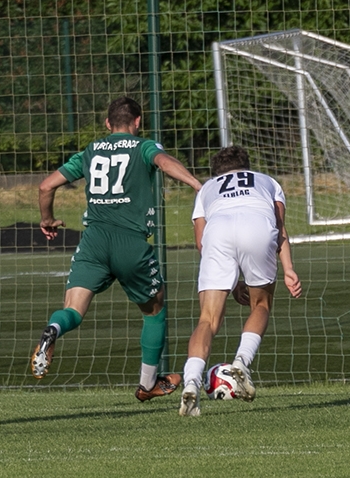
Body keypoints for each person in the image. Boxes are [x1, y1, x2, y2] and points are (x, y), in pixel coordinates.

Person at [33, 96, 203, 402]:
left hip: (93, 240)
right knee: (154, 309)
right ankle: (147, 383)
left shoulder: (89, 151)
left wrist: (47, 219)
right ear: (138, 121)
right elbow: (163, 163)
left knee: (73, 308)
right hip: (130, 242)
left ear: (107, 123)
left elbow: (46, 186)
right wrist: (195, 184)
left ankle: (54, 329)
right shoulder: (143, 147)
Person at [179, 146, 301, 417]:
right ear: (247, 166)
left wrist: (231, 281)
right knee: (260, 305)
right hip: (256, 226)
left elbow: (201, 242)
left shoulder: (208, 188)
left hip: (218, 230)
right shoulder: (268, 181)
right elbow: (279, 228)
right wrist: (289, 269)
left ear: (217, 172)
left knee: (207, 320)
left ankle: (191, 382)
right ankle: (242, 363)